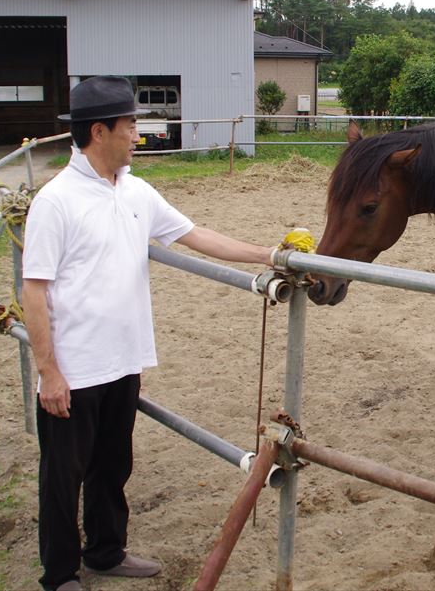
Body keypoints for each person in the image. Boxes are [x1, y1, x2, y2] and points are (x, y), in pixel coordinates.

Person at [21, 76, 274, 591]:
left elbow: (196, 235)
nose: (139, 133)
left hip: (123, 360)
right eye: (131, 124)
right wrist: (48, 371)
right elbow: (33, 291)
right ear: (99, 131)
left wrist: (269, 255)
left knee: (113, 465)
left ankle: (106, 552)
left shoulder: (136, 190)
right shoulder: (56, 201)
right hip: (73, 367)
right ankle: (60, 575)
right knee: (62, 477)